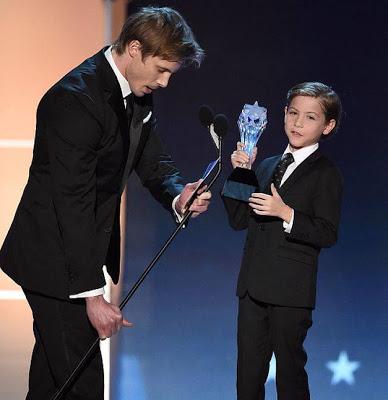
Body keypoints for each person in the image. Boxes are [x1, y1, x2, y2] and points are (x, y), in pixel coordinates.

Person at [0, 7, 211, 399]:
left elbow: (151, 157)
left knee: (53, 384)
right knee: (82, 388)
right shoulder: (74, 101)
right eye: (162, 70)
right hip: (53, 262)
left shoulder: (136, 91)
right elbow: (72, 201)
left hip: (74, 258)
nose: (165, 82)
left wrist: (177, 195)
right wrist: (92, 296)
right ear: (134, 49)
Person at [222, 82, 343, 400]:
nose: (298, 123)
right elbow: (238, 220)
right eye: (293, 113)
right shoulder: (267, 165)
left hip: (290, 292)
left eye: (310, 117)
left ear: (327, 126)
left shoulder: (326, 174)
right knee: (247, 380)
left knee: (289, 376)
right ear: (283, 115)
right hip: (252, 288)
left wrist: (286, 213)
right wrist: (241, 171)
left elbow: (327, 232)